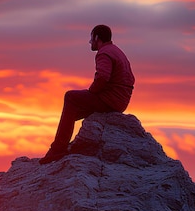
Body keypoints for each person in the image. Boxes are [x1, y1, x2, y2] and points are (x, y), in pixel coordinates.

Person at [40, 25, 135, 164]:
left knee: (70, 97)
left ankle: (58, 149)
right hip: (119, 101)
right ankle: (60, 145)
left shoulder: (104, 53)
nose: (90, 42)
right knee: (72, 111)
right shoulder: (116, 51)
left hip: (110, 100)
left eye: (91, 38)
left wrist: (91, 92)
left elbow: (102, 77)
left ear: (97, 38)